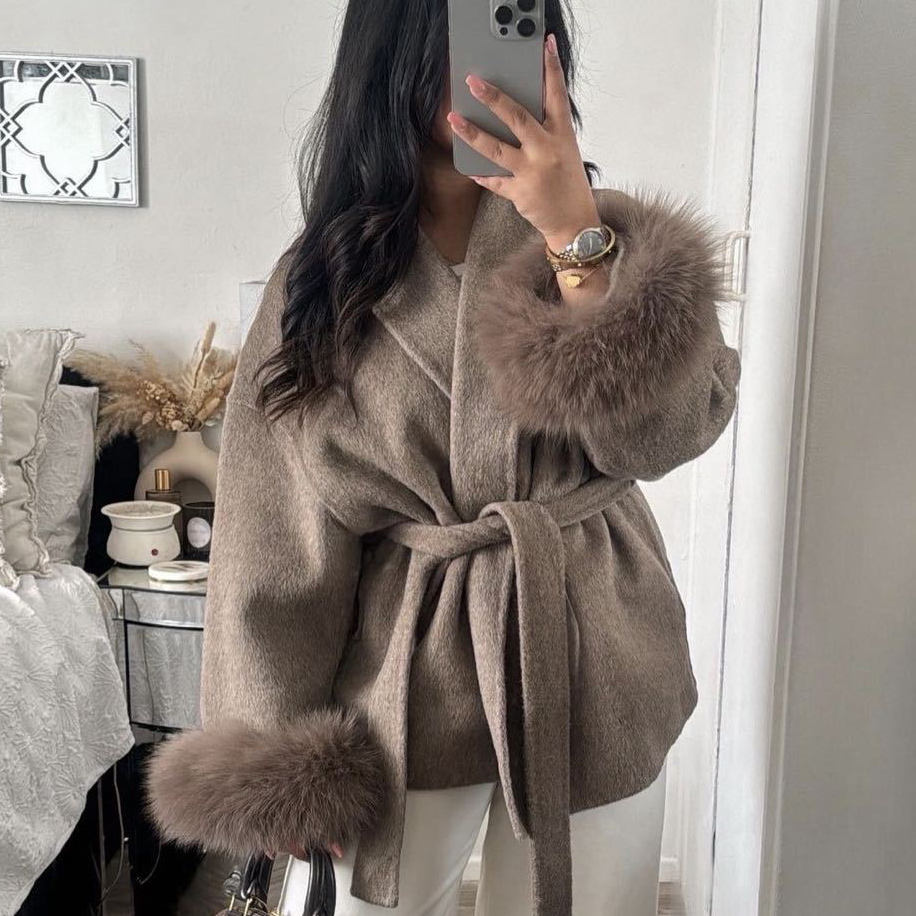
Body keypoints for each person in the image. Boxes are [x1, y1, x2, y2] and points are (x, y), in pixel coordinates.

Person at [147, 1, 741, 914]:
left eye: (522, 25)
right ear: (398, 53)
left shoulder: (604, 244)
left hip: (595, 647)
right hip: (410, 670)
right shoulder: (325, 277)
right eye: (465, 30)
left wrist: (577, 242)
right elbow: (277, 532)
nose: (494, 63)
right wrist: (273, 752)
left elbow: (668, 439)